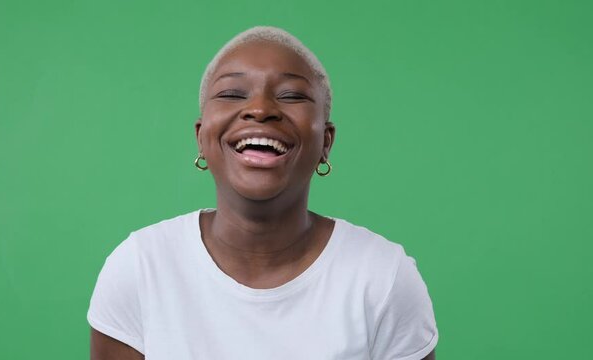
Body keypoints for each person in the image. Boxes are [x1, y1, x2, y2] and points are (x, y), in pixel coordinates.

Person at [87, 26, 438, 360]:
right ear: (201, 137)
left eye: (290, 96)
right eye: (232, 94)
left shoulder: (383, 278)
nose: (260, 109)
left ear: (325, 143)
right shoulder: (140, 267)